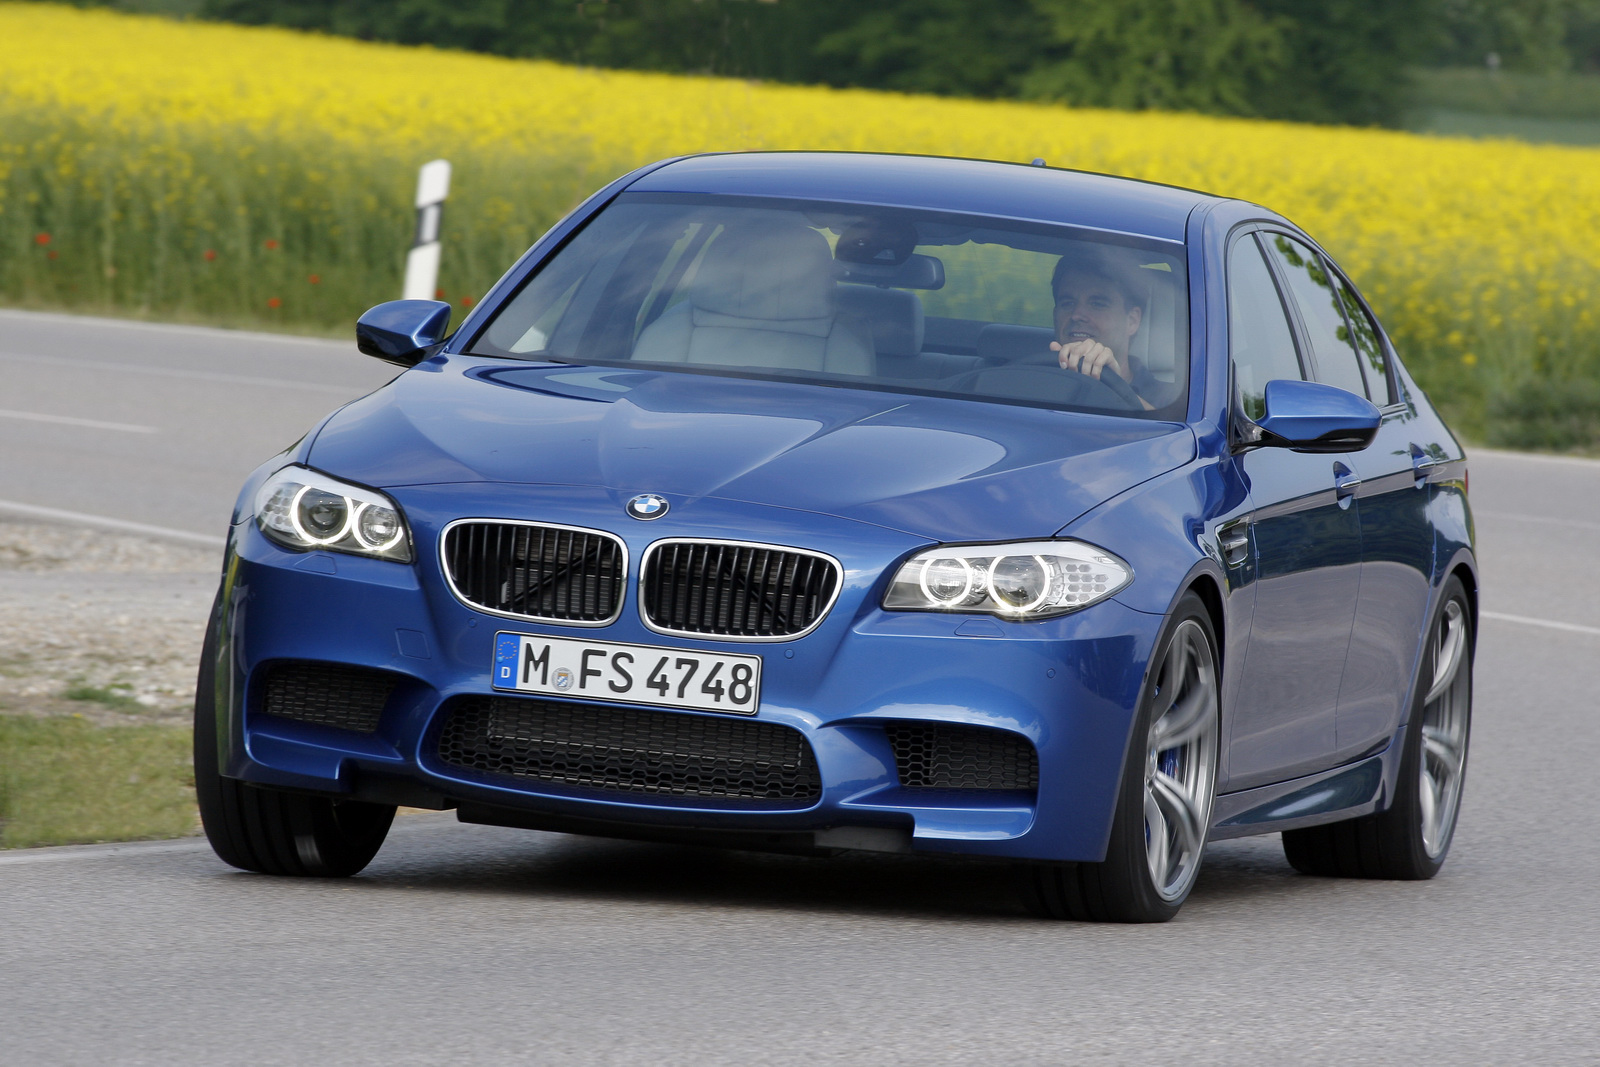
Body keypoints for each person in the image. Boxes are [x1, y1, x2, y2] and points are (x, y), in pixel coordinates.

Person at [1050, 248, 1158, 410]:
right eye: (1068, 303)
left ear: (1132, 321)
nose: (1077, 315)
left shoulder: (1171, 398)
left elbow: (1169, 425)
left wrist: (1115, 386)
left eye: (1097, 304)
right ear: (1055, 314)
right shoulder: (1033, 378)